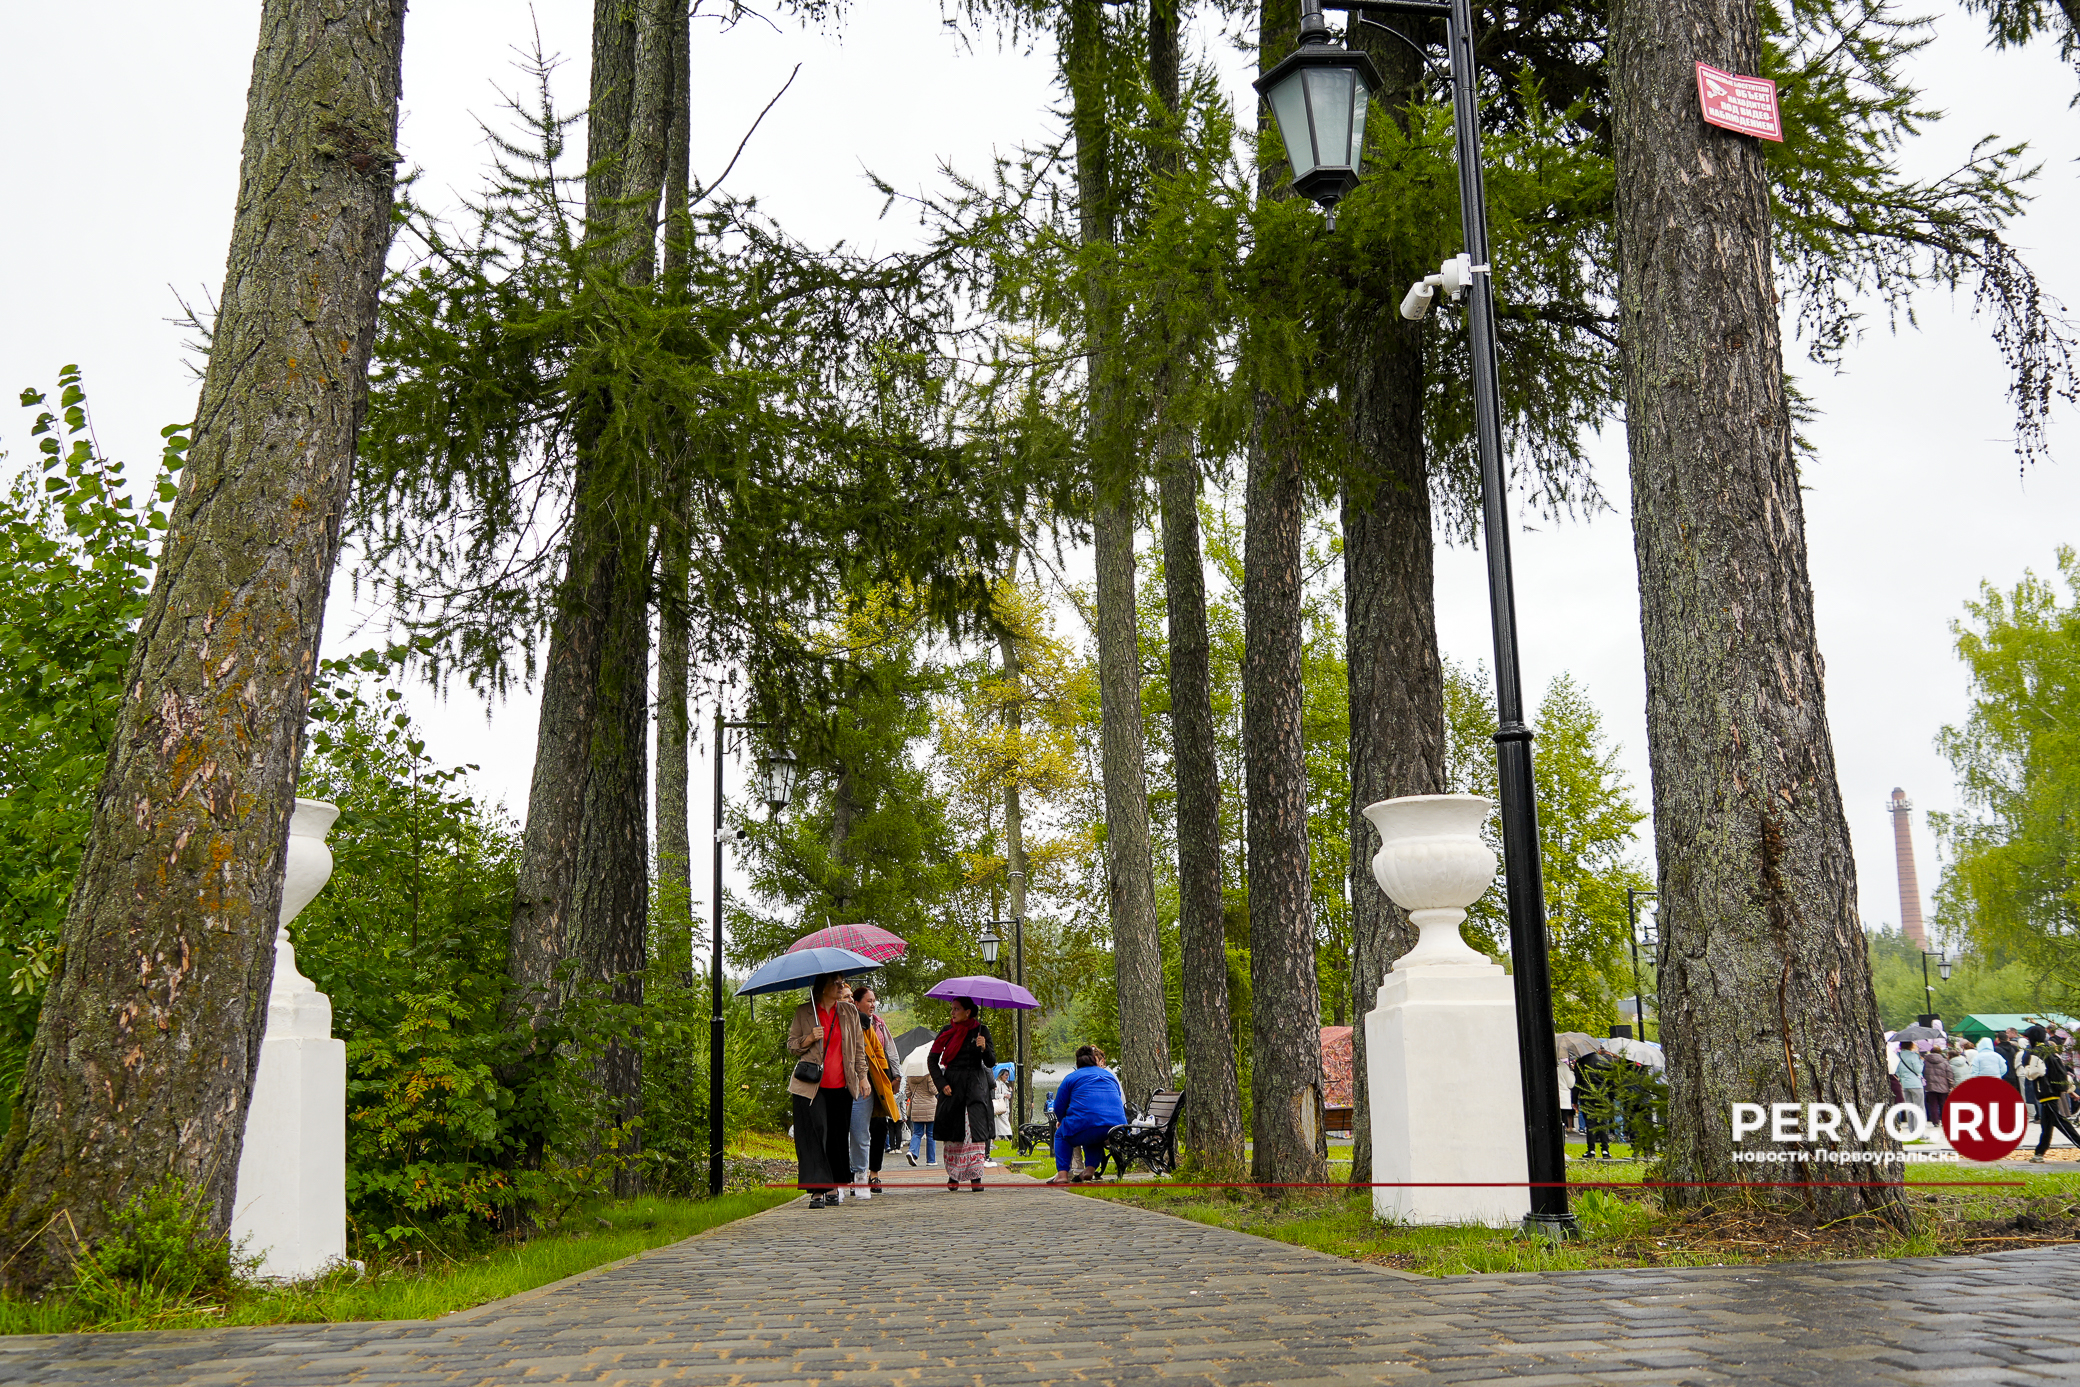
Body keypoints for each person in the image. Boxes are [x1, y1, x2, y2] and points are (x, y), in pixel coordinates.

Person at [786, 974, 868, 1209]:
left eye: (842, 981)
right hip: (811, 1087)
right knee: (814, 1136)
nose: (841, 986)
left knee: (836, 1136)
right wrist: (809, 1038)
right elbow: (792, 1045)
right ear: (822, 987)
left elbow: (858, 1048)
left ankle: (834, 1185)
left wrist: (863, 1077)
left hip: (841, 1085)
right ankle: (818, 1191)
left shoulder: (849, 1012)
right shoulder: (804, 1012)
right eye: (836, 982)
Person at [928, 997, 996, 1192]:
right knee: (955, 1132)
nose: (952, 1012)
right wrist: (941, 1084)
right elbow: (932, 1060)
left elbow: (991, 1062)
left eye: (956, 1009)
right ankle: (953, 1175)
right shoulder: (946, 1032)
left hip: (976, 1086)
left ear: (968, 1012)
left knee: (974, 1130)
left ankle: (976, 1177)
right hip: (953, 1085)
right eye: (952, 1008)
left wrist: (984, 1047)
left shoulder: (982, 1031)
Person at [848, 985, 903, 1198]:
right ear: (857, 1002)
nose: (872, 1004)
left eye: (874, 1000)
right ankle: (854, 1174)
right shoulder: (851, 1023)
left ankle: (873, 1173)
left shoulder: (878, 1024)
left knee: (878, 1127)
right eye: (869, 1000)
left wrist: (894, 1077)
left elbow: (889, 1050)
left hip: (877, 1083)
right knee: (856, 1130)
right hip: (856, 1083)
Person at [1046, 1045, 1127, 1185]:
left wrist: (1061, 1121)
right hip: (1116, 1127)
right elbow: (1117, 1099)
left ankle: (1063, 1174)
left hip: (1087, 1125)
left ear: (1077, 1063)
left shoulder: (1071, 1078)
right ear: (1095, 1061)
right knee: (1094, 1134)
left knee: (1061, 1134)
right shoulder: (1109, 1076)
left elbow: (1059, 1106)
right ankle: (1089, 1170)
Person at [2020, 1025, 2080, 1162]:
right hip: (2054, 1090)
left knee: (2060, 1122)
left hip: (2045, 1091)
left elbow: (2034, 1073)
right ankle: (2039, 1153)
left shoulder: (2035, 1052)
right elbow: (2062, 1071)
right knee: (2047, 1124)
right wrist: (2069, 1090)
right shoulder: (2051, 1051)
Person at [904, 1054, 939, 1167]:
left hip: (916, 1107)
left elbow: (908, 1093)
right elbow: (933, 1091)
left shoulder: (909, 1076)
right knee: (930, 1134)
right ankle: (931, 1160)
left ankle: (912, 1151)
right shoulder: (928, 1075)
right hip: (930, 1108)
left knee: (917, 1133)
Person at [1922, 1040, 1953, 1127]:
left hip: (1930, 1086)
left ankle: (1935, 1121)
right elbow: (1949, 1074)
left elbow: (1923, 1072)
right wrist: (1951, 1085)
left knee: (1933, 1104)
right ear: (1940, 1052)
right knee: (1943, 1103)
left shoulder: (1925, 1062)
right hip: (1943, 1086)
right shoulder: (1945, 1062)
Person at [1893, 1043, 1924, 1116]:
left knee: (1909, 1108)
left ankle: (1911, 1126)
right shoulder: (1914, 1056)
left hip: (1904, 1084)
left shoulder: (1898, 1056)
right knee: (1919, 1107)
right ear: (1910, 1046)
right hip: (1916, 1084)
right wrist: (1921, 1062)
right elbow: (1918, 1070)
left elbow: (1897, 1072)